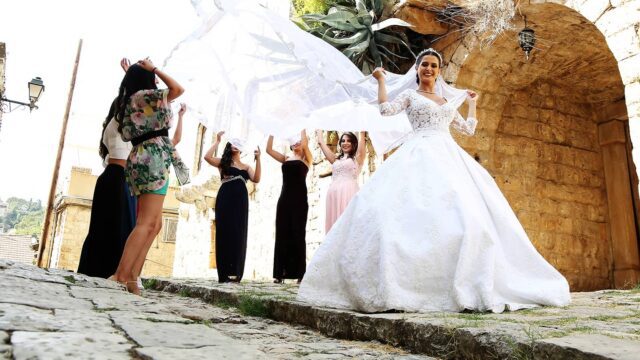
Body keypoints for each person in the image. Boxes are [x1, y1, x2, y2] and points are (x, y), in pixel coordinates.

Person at [297, 49, 571, 313]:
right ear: (417, 69)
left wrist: (472, 104)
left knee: (466, 214)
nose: (429, 69)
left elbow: (468, 129)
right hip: (418, 150)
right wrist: (381, 81)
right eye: (424, 64)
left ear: (439, 73)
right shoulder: (409, 95)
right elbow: (385, 110)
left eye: (434, 66)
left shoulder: (445, 102)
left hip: (448, 153)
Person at [112, 58, 188, 294]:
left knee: (154, 225)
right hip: (152, 159)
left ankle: (133, 277)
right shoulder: (144, 97)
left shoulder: (134, 99)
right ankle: (121, 275)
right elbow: (178, 89)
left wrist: (134, 73)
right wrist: (153, 68)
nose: (155, 79)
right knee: (147, 223)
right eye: (151, 77)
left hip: (147, 157)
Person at [77, 99, 137, 278]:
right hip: (117, 178)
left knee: (106, 226)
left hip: (113, 177)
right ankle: (110, 270)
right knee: (118, 226)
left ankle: (100, 268)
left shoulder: (112, 127)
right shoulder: (118, 123)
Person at [204, 132, 261, 283]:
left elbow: (257, 179)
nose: (235, 145)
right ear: (229, 146)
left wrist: (258, 159)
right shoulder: (224, 163)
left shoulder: (246, 166)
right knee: (224, 232)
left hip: (241, 201)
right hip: (225, 198)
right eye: (233, 143)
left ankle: (236, 272)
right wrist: (216, 142)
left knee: (239, 232)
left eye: (238, 143)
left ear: (242, 148)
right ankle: (223, 273)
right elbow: (207, 157)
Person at [267, 131, 312, 284]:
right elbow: (269, 150)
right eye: (294, 141)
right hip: (284, 199)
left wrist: (302, 125)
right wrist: (272, 131)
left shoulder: (307, 159)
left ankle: (300, 274)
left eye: (299, 141)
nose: (297, 143)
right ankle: (279, 274)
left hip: (299, 200)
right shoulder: (286, 158)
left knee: (298, 233)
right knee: (282, 233)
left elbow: (304, 142)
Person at [316, 130, 366, 233]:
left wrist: (362, 132)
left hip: (348, 194)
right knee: (335, 226)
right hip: (334, 196)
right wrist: (319, 128)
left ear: (354, 143)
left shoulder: (357, 158)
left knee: (347, 223)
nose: (345, 143)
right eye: (343, 141)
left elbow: (361, 146)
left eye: (349, 141)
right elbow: (320, 142)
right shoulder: (335, 159)